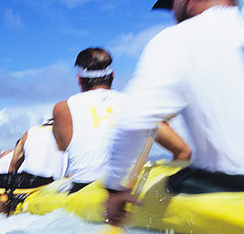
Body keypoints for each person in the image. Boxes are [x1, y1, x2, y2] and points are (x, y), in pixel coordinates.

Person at [105, 0, 244, 226]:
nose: (173, 14)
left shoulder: (177, 38)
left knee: (157, 189)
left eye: (171, 4)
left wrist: (115, 189)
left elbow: (133, 121)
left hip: (238, 186)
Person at [53, 47, 191, 194]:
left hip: (82, 191)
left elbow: (61, 147)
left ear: (79, 80)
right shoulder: (135, 104)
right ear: (112, 75)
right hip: (129, 191)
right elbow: (183, 152)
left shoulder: (62, 109)